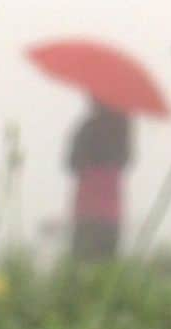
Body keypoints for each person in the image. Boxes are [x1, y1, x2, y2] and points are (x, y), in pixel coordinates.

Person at [67, 98, 132, 261]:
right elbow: (126, 160)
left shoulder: (87, 127)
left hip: (86, 207)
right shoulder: (122, 128)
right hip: (110, 209)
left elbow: (72, 162)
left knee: (81, 262)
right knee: (106, 264)